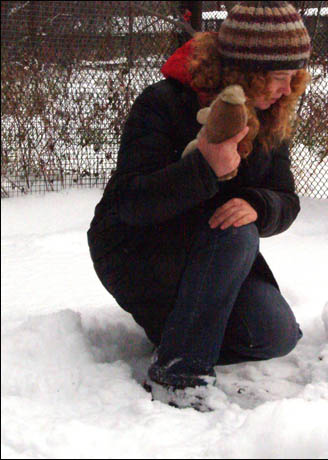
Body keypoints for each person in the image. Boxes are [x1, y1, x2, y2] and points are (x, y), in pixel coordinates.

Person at [87, 1, 312, 410]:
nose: (287, 88)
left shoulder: (272, 114)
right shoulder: (163, 102)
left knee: (276, 335)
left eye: (293, 77)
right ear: (247, 71)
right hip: (137, 252)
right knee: (235, 231)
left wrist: (258, 204)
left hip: (216, 256)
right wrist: (203, 169)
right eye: (280, 77)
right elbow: (128, 203)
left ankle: (185, 327)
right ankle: (179, 373)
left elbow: (287, 198)